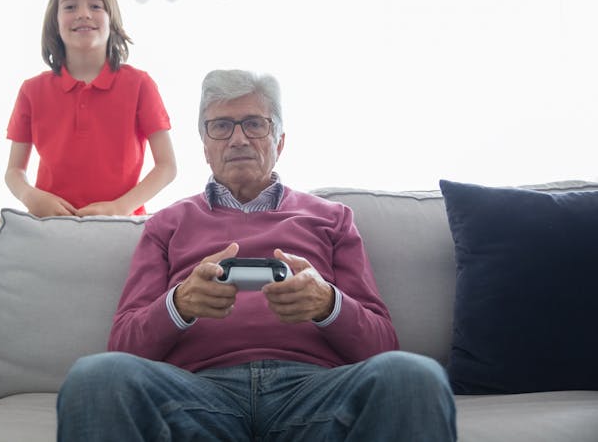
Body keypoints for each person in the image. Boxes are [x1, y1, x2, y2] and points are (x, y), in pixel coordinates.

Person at [57, 69, 457, 441]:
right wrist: (178, 305)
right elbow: (123, 346)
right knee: (95, 376)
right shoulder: (166, 224)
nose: (238, 139)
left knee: (414, 375)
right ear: (205, 148)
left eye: (254, 123)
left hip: (313, 391)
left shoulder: (333, 219)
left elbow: (383, 346)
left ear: (279, 141)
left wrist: (327, 304)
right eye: (221, 126)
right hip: (197, 394)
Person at [5, 0, 176, 217]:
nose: (83, 14)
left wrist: (120, 207)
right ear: (55, 21)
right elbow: (14, 171)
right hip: (50, 226)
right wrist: (30, 196)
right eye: (70, 7)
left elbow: (167, 166)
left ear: (111, 19)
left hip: (122, 227)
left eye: (95, 6)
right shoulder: (31, 90)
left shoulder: (140, 84)